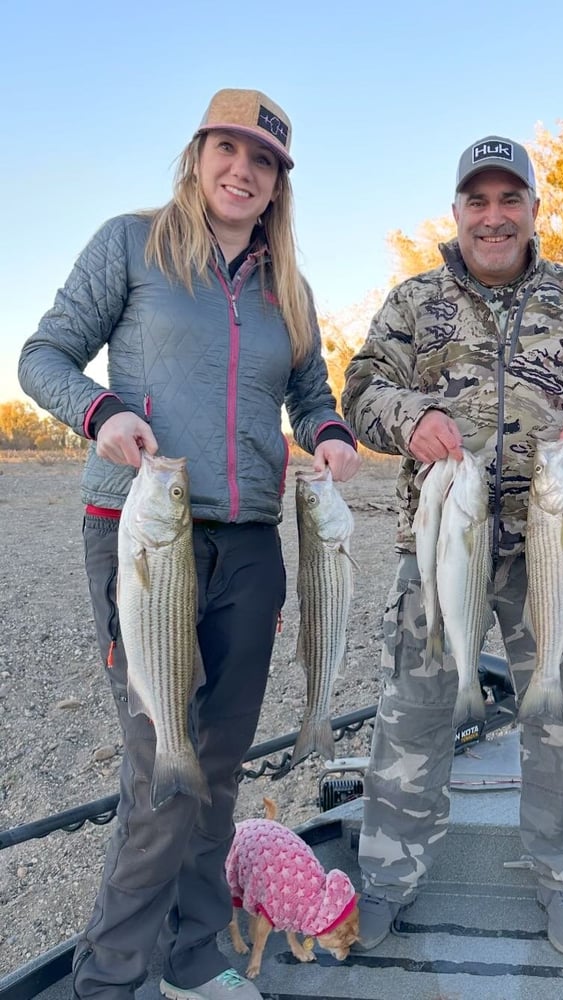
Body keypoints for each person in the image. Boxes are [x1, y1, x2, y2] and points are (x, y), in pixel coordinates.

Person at [18, 88, 361, 1000]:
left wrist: (329, 436)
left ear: (279, 183)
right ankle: (110, 978)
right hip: (144, 538)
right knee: (161, 774)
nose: (242, 171)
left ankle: (193, 956)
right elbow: (43, 356)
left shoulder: (291, 287)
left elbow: (313, 398)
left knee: (216, 767)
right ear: (198, 153)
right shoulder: (130, 244)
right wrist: (102, 412)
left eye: (263, 162)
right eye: (229, 150)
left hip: (252, 548)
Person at [341, 135, 563, 958]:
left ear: (532, 211)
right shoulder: (414, 302)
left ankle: (561, 881)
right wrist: (411, 419)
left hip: (551, 552)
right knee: (411, 717)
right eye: (476, 201)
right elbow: (363, 386)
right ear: (456, 212)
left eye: (508, 199)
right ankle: (386, 879)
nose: (493, 217)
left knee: (559, 720)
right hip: (441, 543)